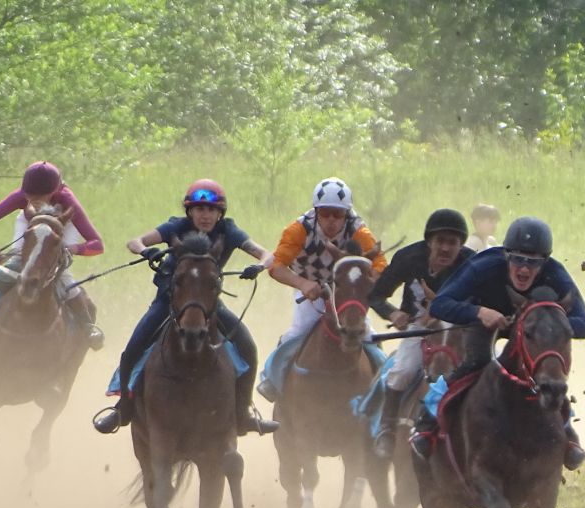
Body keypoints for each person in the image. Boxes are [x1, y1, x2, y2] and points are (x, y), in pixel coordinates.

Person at [92, 179, 278, 435]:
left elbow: (267, 255)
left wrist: (258, 266)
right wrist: (148, 251)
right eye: (199, 209)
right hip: (168, 301)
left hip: (208, 305)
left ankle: (242, 413)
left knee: (248, 346)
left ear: (220, 213)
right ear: (189, 211)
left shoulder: (229, 231)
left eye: (212, 210)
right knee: (133, 348)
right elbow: (135, 242)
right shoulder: (176, 227)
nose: (205, 215)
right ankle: (124, 407)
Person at [411, 216, 585, 470]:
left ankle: (568, 434)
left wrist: (546, 325)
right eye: (518, 259)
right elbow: (441, 304)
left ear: (545, 262)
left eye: (534, 262)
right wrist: (479, 312)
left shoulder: (556, 273)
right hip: (485, 324)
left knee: (549, 373)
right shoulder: (483, 266)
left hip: (533, 331)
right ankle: (427, 424)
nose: (524, 269)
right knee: (475, 364)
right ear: (506, 255)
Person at [366, 208, 473, 459]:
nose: (445, 249)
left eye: (452, 243)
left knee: (491, 366)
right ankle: (387, 429)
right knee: (403, 371)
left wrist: (448, 310)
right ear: (429, 242)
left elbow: (483, 298)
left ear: (461, 245)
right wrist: (393, 314)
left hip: (458, 326)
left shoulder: (471, 263)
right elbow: (376, 295)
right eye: (440, 241)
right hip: (418, 326)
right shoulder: (408, 258)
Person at [0, 161, 103, 345]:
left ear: (55, 190)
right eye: (30, 195)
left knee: (60, 273)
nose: (34, 200)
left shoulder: (67, 200)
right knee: (15, 260)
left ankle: (87, 326)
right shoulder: (21, 196)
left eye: (41, 196)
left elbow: (97, 244)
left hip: (62, 226)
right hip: (30, 225)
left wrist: (71, 249)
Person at [263, 177, 388, 351]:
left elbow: (380, 264)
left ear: (346, 213)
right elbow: (276, 266)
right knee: (298, 333)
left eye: (338, 214)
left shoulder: (359, 230)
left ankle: (382, 377)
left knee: (368, 335)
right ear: (316, 211)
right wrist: (303, 284)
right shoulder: (299, 229)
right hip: (312, 291)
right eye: (325, 213)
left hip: (347, 292)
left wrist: (364, 283)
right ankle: (271, 377)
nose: (331, 220)